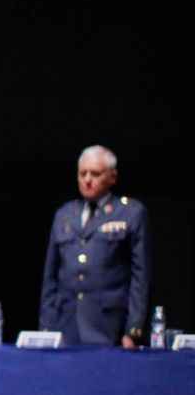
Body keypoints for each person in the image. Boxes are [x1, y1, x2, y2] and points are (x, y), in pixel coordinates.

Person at [39, 144, 151, 347]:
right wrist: (47, 325)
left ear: (112, 177)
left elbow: (140, 277)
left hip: (108, 325)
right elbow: (51, 276)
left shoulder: (129, 213)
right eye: (83, 174)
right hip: (66, 325)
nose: (87, 180)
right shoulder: (64, 214)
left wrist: (133, 329)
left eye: (95, 174)